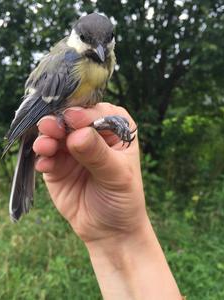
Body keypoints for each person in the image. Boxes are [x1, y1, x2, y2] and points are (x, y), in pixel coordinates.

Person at [33, 102, 183, 300]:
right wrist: (119, 238)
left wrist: (122, 236)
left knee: (77, 127)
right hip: (54, 132)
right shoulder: (73, 70)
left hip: (69, 140)